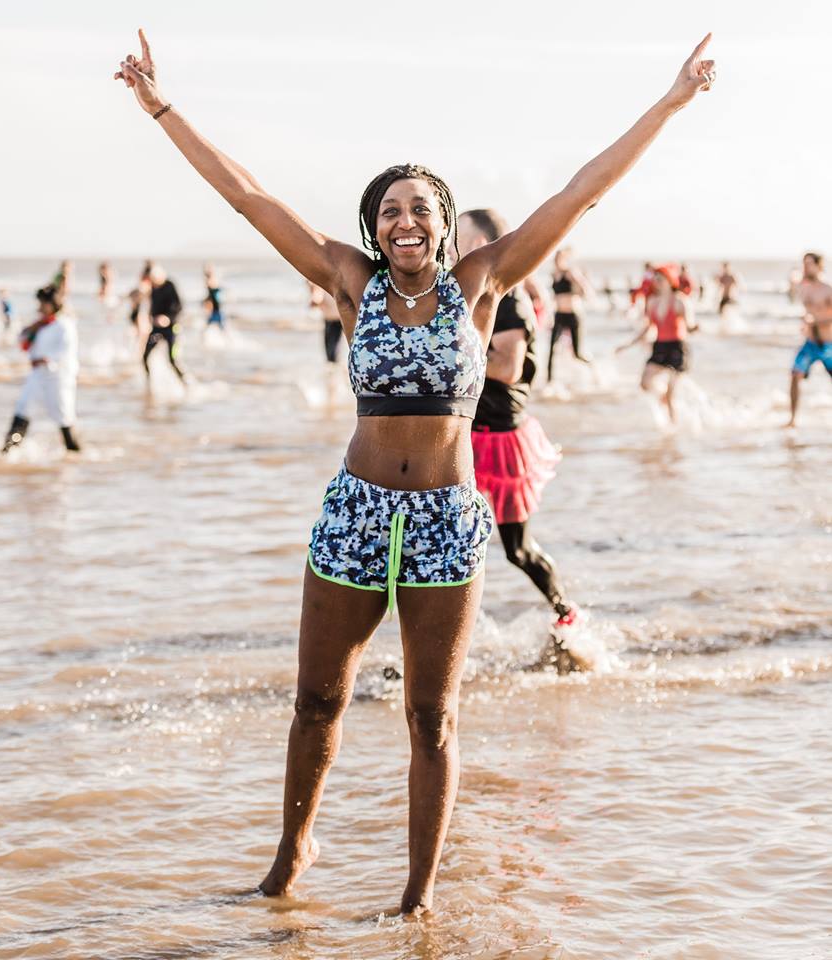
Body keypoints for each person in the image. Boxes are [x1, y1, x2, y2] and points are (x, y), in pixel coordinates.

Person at [115, 27, 716, 914]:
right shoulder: (347, 281)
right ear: (374, 226)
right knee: (317, 700)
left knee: (430, 718)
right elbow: (248, 199)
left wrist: (668, 103)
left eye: (419, 207)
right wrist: (162, 108)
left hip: (446, 519)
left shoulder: (483, 282)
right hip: (355, 512)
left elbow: (578, 195)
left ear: (443, 218)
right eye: (389, 209)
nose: (404, 221)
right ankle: (290, 856)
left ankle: (416, 896)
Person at [458, 209, 582, 673]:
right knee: (449, 539)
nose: (455, 249)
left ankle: (565, 614)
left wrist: (446, 352)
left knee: (517, 548)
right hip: (470, 432)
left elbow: (508, 367)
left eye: (465, 240)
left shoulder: (508, 299)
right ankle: (446, 643)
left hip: (501, 439)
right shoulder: (475, 293)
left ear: (490, 244)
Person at [2, 285, 80, 453]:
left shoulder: (64, 325)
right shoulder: (39, 324)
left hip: (58, 379)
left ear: (52, 304)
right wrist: (30, 329)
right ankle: (7, 451)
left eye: (43, 303)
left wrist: (49, 360)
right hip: (37, 375)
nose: (40, 307)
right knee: (23, 409)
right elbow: (22, 341)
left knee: (64, 416)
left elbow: (66, 352)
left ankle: (73, 451)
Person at [616, 266, 697, 423]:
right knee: (645, 383)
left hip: (678, 348)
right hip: (659, 346)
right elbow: (647, 329)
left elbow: (690, 325)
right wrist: (627, 345)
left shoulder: (680, 300)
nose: (656, 282)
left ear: (669, 280)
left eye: (660, 278)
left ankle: (673, 430)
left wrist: (696, 327)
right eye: (655, 279)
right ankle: (662, 396)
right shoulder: (652, 302)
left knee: (671, 397)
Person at [787, 251, 832, 427]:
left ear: (819, 266)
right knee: (795, 374)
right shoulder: (804, 287)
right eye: (804, 263)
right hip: (810, 343)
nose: (805, 267)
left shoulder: (828, 289)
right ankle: (793, 419)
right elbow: (792, 295)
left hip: (829, 344)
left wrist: (817, 321)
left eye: (809, 264)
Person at [547, 247, 591, 381]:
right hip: (559, 315)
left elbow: (585, 287)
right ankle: (549, 382)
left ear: (564, 259)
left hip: (573, 315)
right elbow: (554, 297)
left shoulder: (570, 273)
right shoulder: (554, 274)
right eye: (555, 258)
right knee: (551, 350)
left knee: (577, 353)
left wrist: (577, 296)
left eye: (559, 258)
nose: (556, 261)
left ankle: (593, 369)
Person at [143, 264, 186, 386]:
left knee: (172, 359)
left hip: (172, 328)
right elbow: (151, 307)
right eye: (152, 281)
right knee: (145, 356)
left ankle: (184, 383)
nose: (154, 284)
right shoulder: (152, 288)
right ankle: (149, 383)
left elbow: (179, 307)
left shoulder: (170, 286)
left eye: (155, 281)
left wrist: (168, 318)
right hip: (156, 329)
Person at [308, 281, 344, 363]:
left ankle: (333, 365)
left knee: (331, 346)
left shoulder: (318, 285)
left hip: (332, 318)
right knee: (336, 344)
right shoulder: (328, 282)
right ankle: (335, 365)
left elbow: (316, 300)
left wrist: (313, 301)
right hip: (339, 315)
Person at [203, 264, 225, 328]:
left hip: (216, 310)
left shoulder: (212, 286)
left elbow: (213, 296)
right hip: (215, 309)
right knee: (220, 327)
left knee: (221, 328)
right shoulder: (212, 288)